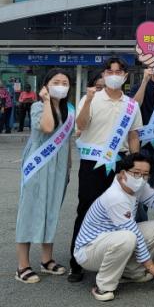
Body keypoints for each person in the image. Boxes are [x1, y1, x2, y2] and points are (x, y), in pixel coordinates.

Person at [68, 57, 143, 283]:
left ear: (125, 76)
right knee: (86, 208)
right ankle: (76, 262)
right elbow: (81, 125)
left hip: (119, 163)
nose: (114, 75)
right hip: (93, 163)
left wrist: (134, 163)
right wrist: (89, 100)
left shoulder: (131, 105)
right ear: (103, 74)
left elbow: (133, 135)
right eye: (110, 71)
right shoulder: (90, 98)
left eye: (119, 72)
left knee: (119, 210)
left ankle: (116, 259)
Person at [74, 153, 154, 301]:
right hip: (88, 250)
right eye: (136, 173)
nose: (141, 178)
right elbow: (133, 232)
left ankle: (131, 273)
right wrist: (150, 266)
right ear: (123, 173)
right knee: (128, 237)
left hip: (111, 239)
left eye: (145, 175)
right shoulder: (115, 196)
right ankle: (103, 286)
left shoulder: (138, 186)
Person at [15, 69, 75, 284]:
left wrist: (68, 166)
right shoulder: (38, 106)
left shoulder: (69, 110)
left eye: (65, 82)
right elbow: (48, 127)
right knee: (29, 211)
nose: (61, 86)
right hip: (38, 165)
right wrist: (47, 100)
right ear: (46, 85)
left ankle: (46, 260)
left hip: (59, 168)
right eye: (56, 82)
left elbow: (67, 140)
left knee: (51, 210)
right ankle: (22, 265)